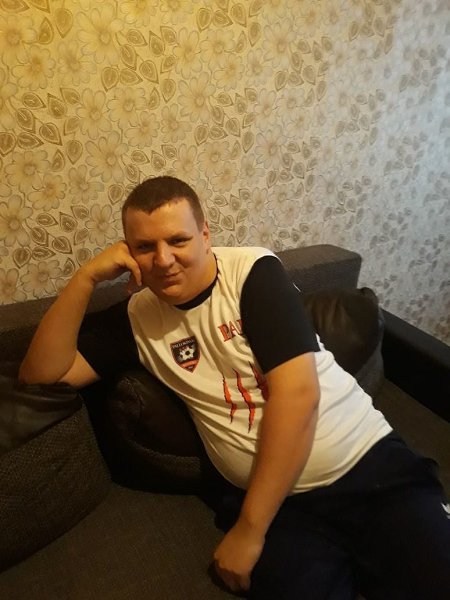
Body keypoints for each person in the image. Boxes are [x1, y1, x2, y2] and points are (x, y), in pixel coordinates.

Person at [20, 176, 450, 599]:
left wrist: (249, 530)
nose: (164, 260)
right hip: (282, 513)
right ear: (127, 251)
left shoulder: (253, 272)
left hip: (366, 465)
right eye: (145, 247)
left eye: (178, 240)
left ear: (205, 234)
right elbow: (41, 377)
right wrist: (84, 280)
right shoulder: (136, 318)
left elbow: (298, 395)